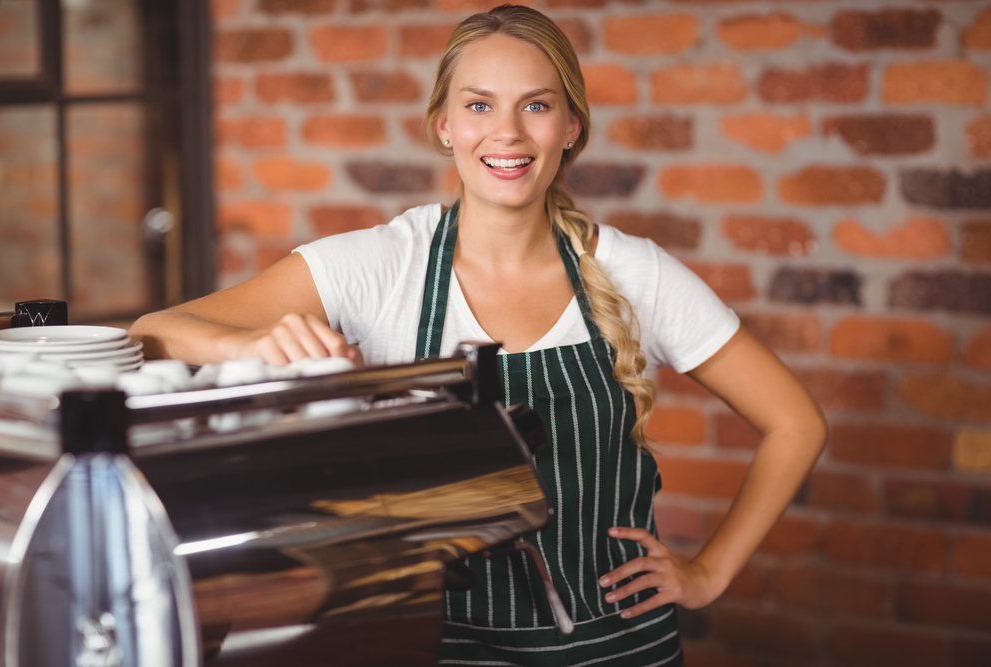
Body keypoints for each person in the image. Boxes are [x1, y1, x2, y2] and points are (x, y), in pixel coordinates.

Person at [130, 5, 827, 665]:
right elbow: (153, 332)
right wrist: (249, 346)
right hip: (431, 644)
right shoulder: (382, 265)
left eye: (536, 104)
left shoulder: (631, 271)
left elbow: (795, 421)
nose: (508, 134)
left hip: (618, 645)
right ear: (442, 124)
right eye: (478, 104)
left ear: (572, 126)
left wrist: (706, 571)